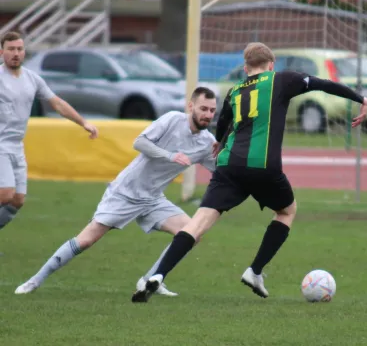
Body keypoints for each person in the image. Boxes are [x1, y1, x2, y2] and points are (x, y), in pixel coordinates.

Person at [131, 42, 367, 303]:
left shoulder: (234, 90)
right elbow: (324, 84)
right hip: (263, 166)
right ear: (271, 64)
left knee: (197, 224)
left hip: (228, 166)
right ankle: (255, 271)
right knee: (287, 211)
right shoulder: (282, 80)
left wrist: (220, 142)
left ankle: (159, 275)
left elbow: (223, 120)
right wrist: (361, 99)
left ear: (245, 68)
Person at [15, 87, 219, 296]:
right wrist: (169, 155)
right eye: (204, 108)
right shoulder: (173, 119)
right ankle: (35, 280)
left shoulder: (207, 143)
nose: (208, 115)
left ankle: (150, 280)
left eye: (212, 111)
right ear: (191, 106)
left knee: (191, 232)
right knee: (86, 240)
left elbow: (222, 170)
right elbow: (139, 142)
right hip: (125, 192)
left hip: (154, 198)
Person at [0, 31, 99, 233]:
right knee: (5, 194)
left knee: (17, 201)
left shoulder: (32, 79)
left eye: (19, 49)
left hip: (17, 146)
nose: (16, 53)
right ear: (2, 52)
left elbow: (58, 104)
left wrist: (83, 123)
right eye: (11, 49)